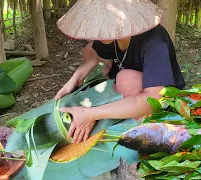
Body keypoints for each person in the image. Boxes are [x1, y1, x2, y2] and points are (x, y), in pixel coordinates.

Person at [54, 0, 185, 144]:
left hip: (163, 101)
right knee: (92, 53)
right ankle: (118, 108)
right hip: (132, 86)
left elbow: (154, 100)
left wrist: (91, 114)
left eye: (104, 22)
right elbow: (95, 54)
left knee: (125, 79)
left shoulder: (154, 42)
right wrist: (78, 75)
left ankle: (137, 122)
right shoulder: (111, 34)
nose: (99, 31)